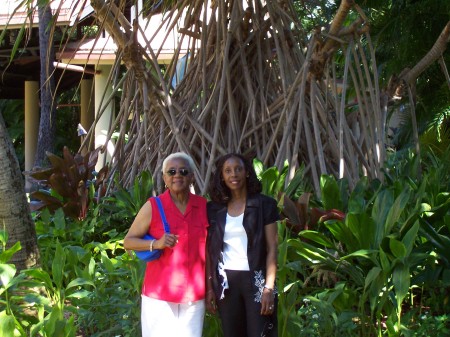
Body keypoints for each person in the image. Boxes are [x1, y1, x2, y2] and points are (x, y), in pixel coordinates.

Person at [123, 152, 208, 337]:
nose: (177, 175)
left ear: (192, 176)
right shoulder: (153, 206)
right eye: (172, 171)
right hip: (159, 294)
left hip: (194, 294)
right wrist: (156, 243)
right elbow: (128, 242)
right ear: (164, 178)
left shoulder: (203, 206)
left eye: (183, 171)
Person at [206, 153, 280, 337]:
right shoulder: (214, 209)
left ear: (247, 172)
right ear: (222, 176)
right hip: (226, 283)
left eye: (238, 169)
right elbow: (210, 251)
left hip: (257, 280)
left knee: (260, 332)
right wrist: (210, 287)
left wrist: (268, 287)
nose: (234, 174)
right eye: (228, 171)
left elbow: (272, 248)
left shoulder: (265, 205)